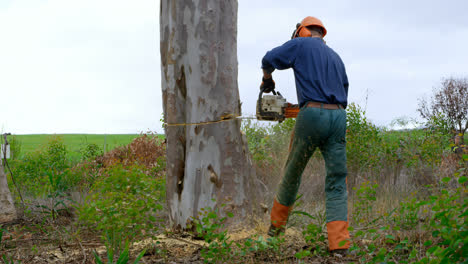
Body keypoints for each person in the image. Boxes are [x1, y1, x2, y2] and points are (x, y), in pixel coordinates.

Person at [260, 16, 350, 254]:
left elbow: (268, 58)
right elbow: (339, 95)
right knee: (337, 182)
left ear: (301, 32)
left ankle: (275, 232)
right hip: (339, 118)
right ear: (321, 33)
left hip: (311, 117)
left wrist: (267, 80)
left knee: (292, 173)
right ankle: (339, 246)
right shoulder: (336, 57)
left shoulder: (301, 44)